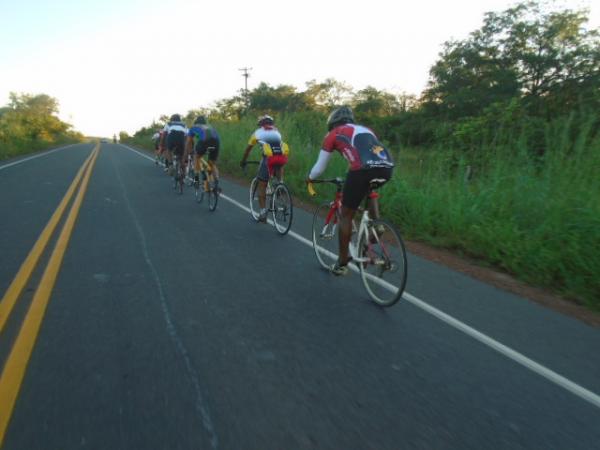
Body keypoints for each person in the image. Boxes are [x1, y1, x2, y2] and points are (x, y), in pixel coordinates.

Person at [306, 106, 394, 275]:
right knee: (370, 187)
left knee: (346, 214)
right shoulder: (367, 130)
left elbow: (320, 167)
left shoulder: (333, 134)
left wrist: (310, 178)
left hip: (361, 170)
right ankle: (376, 224)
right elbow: (363, 152)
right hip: (386, 167)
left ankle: (342, 263)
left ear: (332, 123)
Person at [239, 115, 289, 223]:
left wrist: (243, 161)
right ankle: (280, 186)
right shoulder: (277, 132)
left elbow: (248, 150)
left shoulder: (257, 133)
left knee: (262, 185)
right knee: (278, 176)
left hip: (268, 159)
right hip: (281, 158)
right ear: (271, 123)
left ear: (261, 124)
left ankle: (262, 213)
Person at [185, 116, 221, 191]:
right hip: (216, 142)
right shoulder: (210, 127)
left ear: (196, 122)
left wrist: (187, 152)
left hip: (205, 141)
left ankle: (196, 178)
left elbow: (188, 142)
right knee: (212, 164)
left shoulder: (193, 127)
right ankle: (216, 183)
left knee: (196, 156)